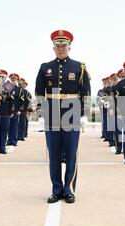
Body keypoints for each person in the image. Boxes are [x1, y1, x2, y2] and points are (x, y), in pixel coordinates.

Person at [35, 30, 91, 204]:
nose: (61, 48)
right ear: (53, 48)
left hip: (72, 112)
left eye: (63, 45)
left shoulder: (79, 67)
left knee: (71, 154)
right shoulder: (45, 67)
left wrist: (84, 114)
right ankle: (56, 189)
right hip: (52, 113)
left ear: (69, 47)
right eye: (58, 46)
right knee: (54, 154)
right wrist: (41, 112)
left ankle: (69, 190)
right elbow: (39, 92)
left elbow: (86, 93)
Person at [0, 70, 12, 154]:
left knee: (4, 130)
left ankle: (2, 147)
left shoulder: (8, 85)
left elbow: (12, 99)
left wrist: (12, 110)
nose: (0, 77)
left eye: (2, 76)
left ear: (6, 76)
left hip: (5, 111)